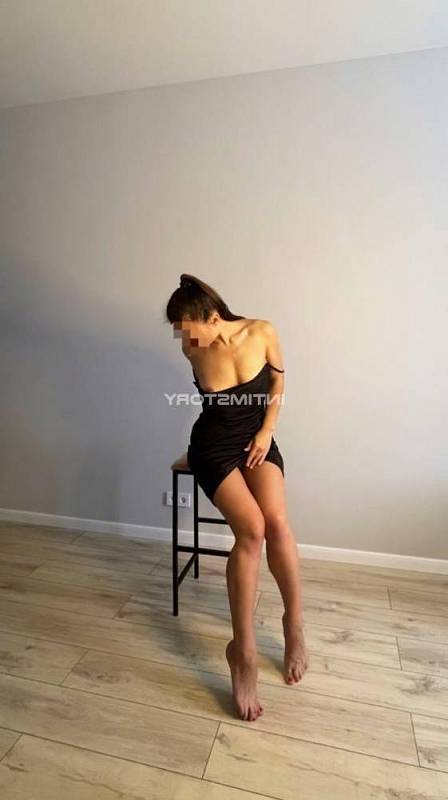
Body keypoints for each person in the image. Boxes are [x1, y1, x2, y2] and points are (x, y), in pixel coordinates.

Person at [165, 274, 308, 721]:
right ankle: (242, 652)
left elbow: (278, 386)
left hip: (256, 440)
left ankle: (293, 623)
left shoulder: (262, 331)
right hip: (213, 448)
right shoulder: (194, 350)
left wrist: (267, 432)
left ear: (213, 317)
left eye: (188, 330)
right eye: (179, 332)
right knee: (252, 530)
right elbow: (214, 406)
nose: (184, 342)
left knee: (278, 523)